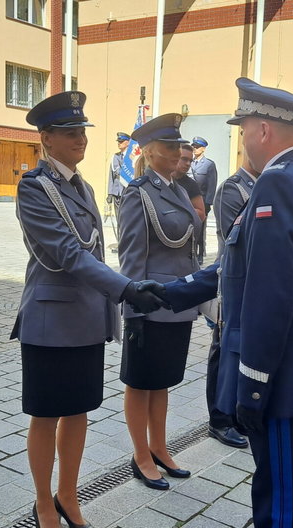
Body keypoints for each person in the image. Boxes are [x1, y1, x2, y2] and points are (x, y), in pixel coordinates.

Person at [152, 77, 293, 527]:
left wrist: (254, 386)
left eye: (243, 131)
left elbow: (269, 295)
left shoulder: (278, 184)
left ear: (263, 130)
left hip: (281, 378)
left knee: (278, 499)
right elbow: (241, 266)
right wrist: (167, 292)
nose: (241, 142)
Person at [12, 91, 166, 528]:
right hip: (50, 318)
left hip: (84, 317)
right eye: (69, 132)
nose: (80, 138)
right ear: (46, 138)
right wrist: (126, 288)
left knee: (78, 412)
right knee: (45, 416)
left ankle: (68, 494)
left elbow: (93, 253)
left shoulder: (84, 186)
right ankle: (44, 500)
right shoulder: (33, 188)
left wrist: (118, 291)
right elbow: (67, 253)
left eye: (81, 130)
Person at [118, 113, 201, 491]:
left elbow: (188, 250)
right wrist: (133, 309)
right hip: (150, 305)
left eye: (179, 146)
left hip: (177, 304)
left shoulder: (179, 189)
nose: (178, 152)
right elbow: (132, 255)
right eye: (170, 147)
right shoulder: (138, 193)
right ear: (150, 153)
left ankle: (160, 448)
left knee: (163, 382)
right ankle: (140, 455)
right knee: (141, 383)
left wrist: (199, 296)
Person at [202, 154, 259, 450]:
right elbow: (234, 238)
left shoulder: (265, 186)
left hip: (254, 286)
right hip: (233, 284)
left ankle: (236, 413)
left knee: (239, 352)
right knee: (221, 349)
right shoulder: (232, 188)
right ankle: (219, 419)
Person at [190, 136, 217, 263]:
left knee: (200, 228)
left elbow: (212, 185)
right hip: (189, 200)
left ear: (204, 149)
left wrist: (208, 203)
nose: (194, 149)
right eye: (193, 147)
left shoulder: (209, 164)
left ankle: (201, 253)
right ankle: (192, 251)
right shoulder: (189, 162)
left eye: (197, 147)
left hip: (202, 201)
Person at [174, 143, 206, 222]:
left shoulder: (191, 184)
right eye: (184, 159)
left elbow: (201, 214)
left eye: (190, 161)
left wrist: (177, 211)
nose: (188, 163)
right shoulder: (162, 179)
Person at [107, 131, 130, 229]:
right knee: (119, 219)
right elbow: (111, 176)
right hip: (117, 193)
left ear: (128, 142)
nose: (119, 143)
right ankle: (120, 241)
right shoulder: (115, 157)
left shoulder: (132, 158)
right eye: (118, 141)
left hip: (129, 193)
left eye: (121, 141)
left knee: (128, 219)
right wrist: (110, 193)